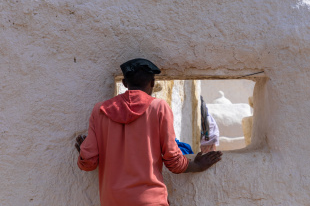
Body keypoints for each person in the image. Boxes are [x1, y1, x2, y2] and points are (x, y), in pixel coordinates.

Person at [75, 58, 222, 206]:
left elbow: (88, 162)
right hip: (150, 200)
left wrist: (84, 151)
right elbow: (173, 160)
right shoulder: (158, 108)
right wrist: (196, 165)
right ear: (152, 82)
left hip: (112, 200)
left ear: (125, 83)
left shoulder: (100, 110)